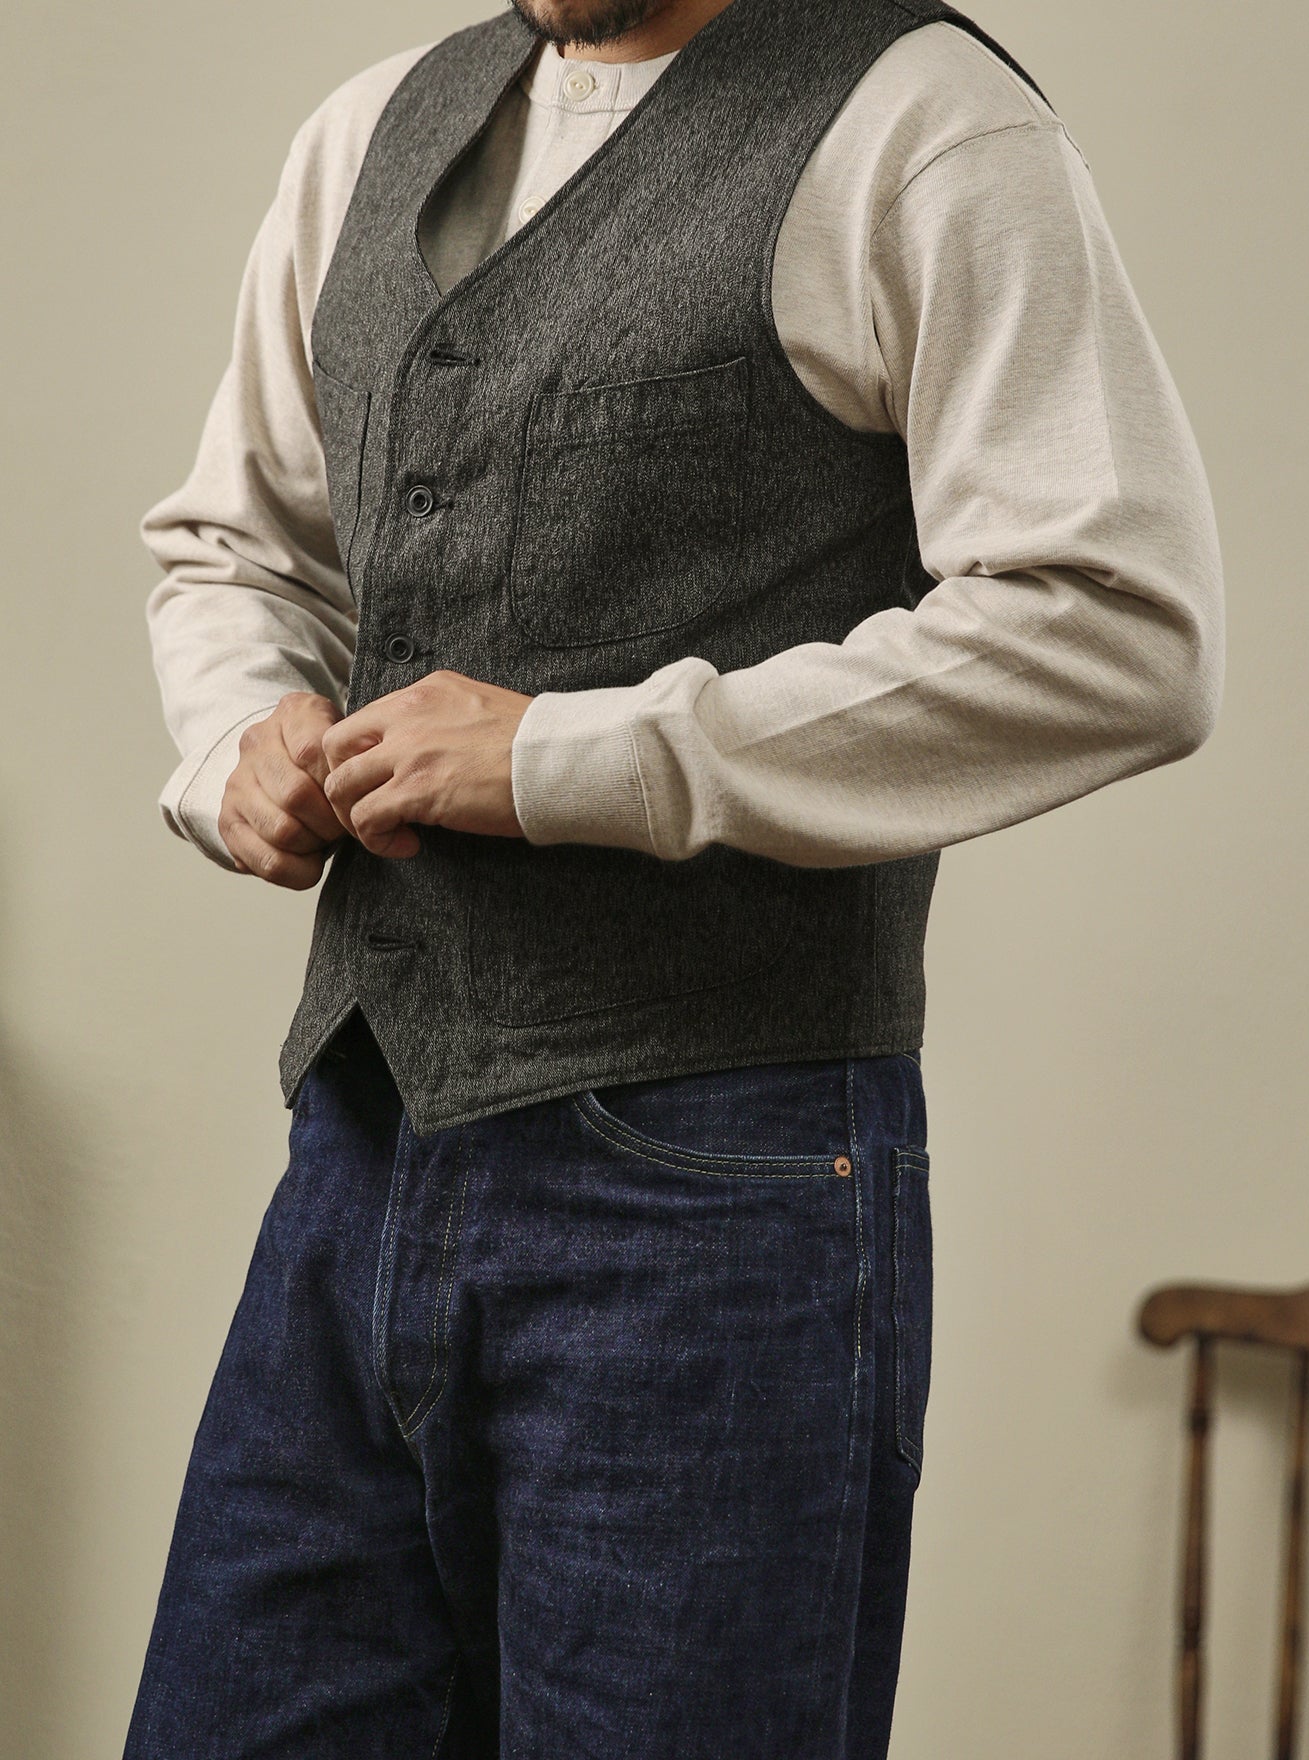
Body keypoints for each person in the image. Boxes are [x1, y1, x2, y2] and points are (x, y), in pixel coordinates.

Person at [125, 0, 1224, 1752]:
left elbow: (1122, 627)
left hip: (725, 1190)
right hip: (362, 1142)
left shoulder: (925, 121)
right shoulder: (370, 131)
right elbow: (236, 545)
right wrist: (240, 737)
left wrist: (578, 756)